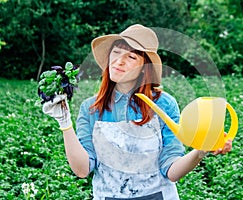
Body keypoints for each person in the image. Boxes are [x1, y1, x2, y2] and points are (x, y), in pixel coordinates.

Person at [42, 24, 232, 200]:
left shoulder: (165, 104)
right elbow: (83, 169)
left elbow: (171, 170)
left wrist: (200, 151)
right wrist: (65, 123)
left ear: (144, 68)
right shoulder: (91, 108)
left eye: (131, 57)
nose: (119, 61)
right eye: (116, 53)